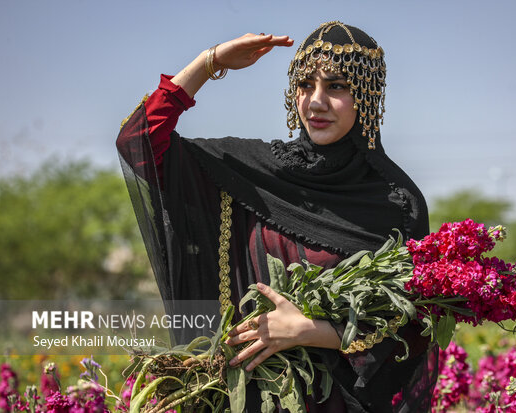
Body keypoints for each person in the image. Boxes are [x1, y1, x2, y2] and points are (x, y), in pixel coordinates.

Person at [117, 21, 437, 412]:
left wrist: (313, 332)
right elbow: (139, 144)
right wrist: (209, 62)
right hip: (238, 398)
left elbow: (413, 326)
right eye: (305, 85)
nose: (315, 102)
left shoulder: (395, 202)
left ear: (366, 96)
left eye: (335, 86)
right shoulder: (250, 174)